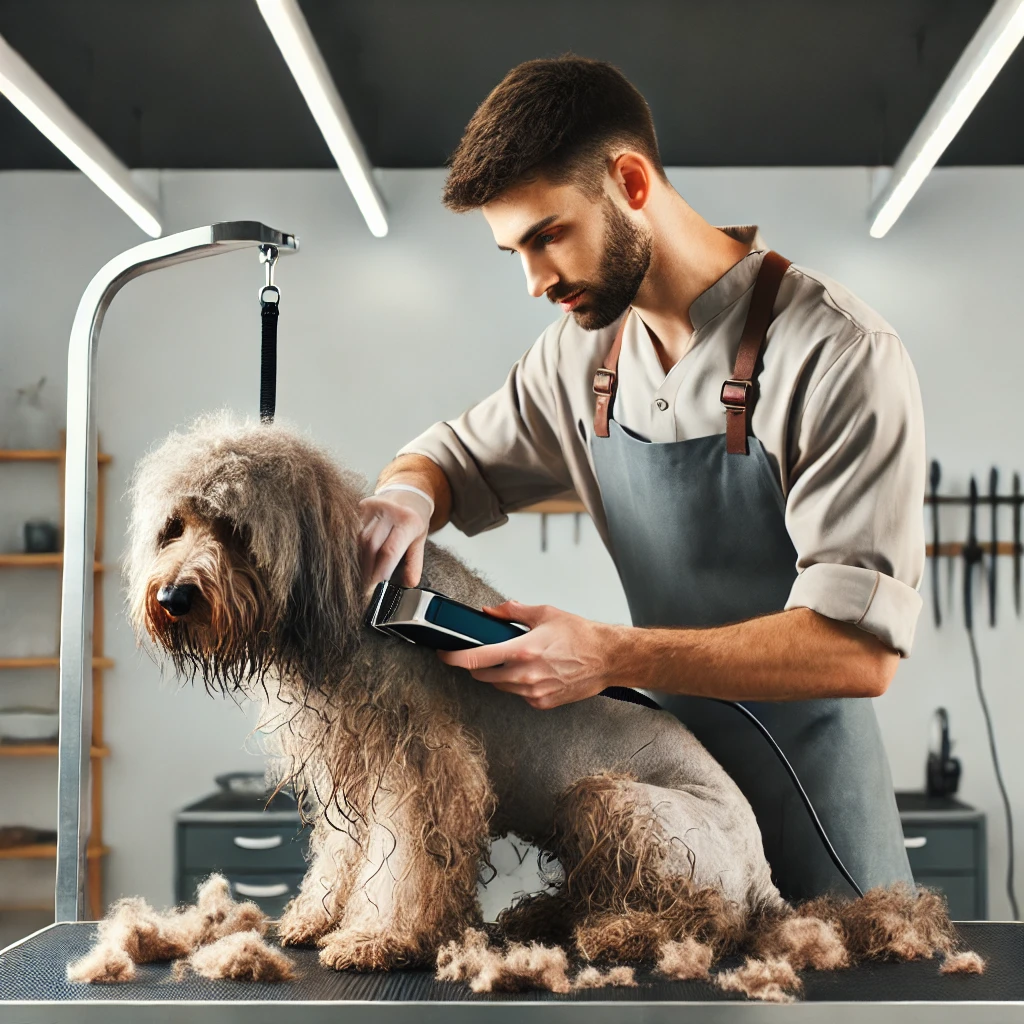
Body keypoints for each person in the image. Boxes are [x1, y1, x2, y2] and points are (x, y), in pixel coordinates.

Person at [358, 56, 925, 901]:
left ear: (629, 181)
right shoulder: (582, 354)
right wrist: (405, 498)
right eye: (514, 251)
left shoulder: (838, 353)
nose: (535, 281)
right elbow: (449, 458)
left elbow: (860, 649)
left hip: (819, 828)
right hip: (678, 817)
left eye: (548, 235)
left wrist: (609, 654)